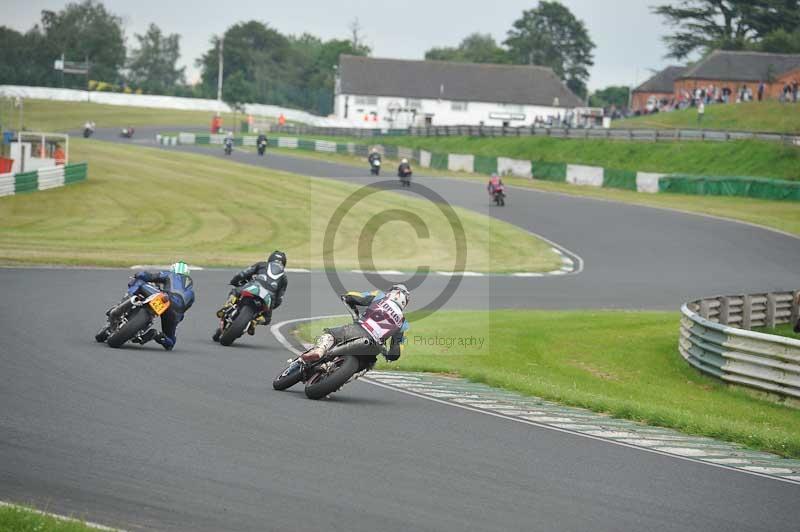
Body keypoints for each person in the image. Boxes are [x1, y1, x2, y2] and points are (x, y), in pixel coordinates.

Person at [300, 284, 410, 365]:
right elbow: (396, 351)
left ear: (391, 293)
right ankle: (344, 380)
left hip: (359, 330)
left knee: (330, 335)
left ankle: (319, 350)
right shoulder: (403, 322)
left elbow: (351, 297)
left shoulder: (380, 296)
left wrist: (356, 316)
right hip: (374, 347)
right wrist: (387, 355)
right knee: (368, 364)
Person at [98, 262, 195, 350]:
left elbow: (149, 276)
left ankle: (122, 304)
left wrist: (139, 275)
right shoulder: (191, 294)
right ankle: (156, 335)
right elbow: (182, 313)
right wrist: (176, 320)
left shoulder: (171, 274)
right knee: (170, 342)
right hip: (175, 312)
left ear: (173, 269)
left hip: (164, 297)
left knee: (139, 282)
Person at [216, 250, 288, 338]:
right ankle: (255, 321)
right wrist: (270, 307)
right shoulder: (284, 278)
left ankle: (227, 306)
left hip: (254, 287)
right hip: (268, 297)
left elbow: (243, 274)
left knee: (235, 291)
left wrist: (234, 281)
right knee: (267, 319)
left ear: (270, 258)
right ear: (284, 263)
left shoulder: (262, 264)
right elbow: (279, 299)